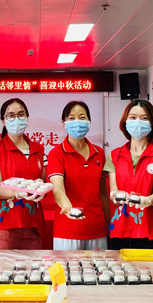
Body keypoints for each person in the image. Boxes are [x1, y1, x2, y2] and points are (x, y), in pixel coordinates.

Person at [105, 100, 153, 250]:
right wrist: (115, 195)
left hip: (152, 229)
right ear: (125, 122)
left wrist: (144, 200)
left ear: (152, 123)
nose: (138, 122)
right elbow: (113, 190)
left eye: (144, 118)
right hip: (120, 228)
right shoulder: (114, 156)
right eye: (133, 117)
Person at [0, 98, 46, 249]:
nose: (16, 119)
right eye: (11, 115)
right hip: (4, 225)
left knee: (34, 265)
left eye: (21, 114)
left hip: (32, 224)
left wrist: (41, 189)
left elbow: (42, 183)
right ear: (3, 121)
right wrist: (19, 193)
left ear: (27, 117)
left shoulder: (39, 149)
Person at [48, 101, 108, 250]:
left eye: (82, 117)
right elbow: (57, 189)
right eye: (71, 118)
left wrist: (109, 223)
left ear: (89, 122)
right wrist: (68, 208)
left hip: (97, 229)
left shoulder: (99, 153)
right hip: (68, 230)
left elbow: (103, 193)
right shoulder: (56, 154)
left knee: (100, 266)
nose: (77, 122)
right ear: (63, 123)